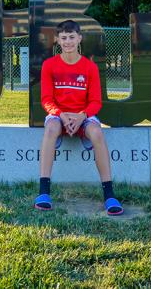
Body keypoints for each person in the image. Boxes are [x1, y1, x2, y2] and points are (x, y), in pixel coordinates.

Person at [34, 20, 123, 215]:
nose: (68, 42)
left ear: (79, 38)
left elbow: (96, 102)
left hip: (83, 116)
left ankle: (109, 195)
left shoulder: (89, 67)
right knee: (50, 128)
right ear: (57, 40)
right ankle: (44, 193)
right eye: (64, 38)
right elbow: (47, 100)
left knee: (98, 133)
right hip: (59, 116)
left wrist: (81, 117)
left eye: (72, 37)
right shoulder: (49, 65)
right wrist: (61, 116)